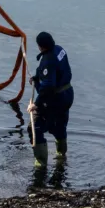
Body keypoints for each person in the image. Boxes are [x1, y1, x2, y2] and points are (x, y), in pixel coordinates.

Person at [28, 31, 74, 167]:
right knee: (59, 124)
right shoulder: (59, 50)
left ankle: (41, 164)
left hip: (55, 99)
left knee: (34, 127)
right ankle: (61, 155)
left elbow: (48, 87)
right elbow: (56, 70)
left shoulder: (48, 59)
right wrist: (37, 78)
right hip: (67, 95)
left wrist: (36, 104)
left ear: (41, 46)